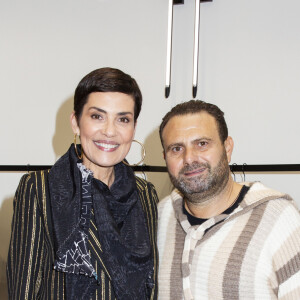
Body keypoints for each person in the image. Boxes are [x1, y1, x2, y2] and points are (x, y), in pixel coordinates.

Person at [7, 67, 158, 300]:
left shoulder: (145, 194)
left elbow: (153, 284)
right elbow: (23, 289)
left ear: (134, 128)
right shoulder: (39, 189)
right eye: (97, 116)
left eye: (123, 119)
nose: (109, 131)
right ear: (76, 122)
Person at [157, 100, 300, 300]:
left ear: (227, 147)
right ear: (165, 157)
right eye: (176, 149)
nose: (189, 158)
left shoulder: (278, 218)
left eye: (202, 144)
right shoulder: (160, 216)